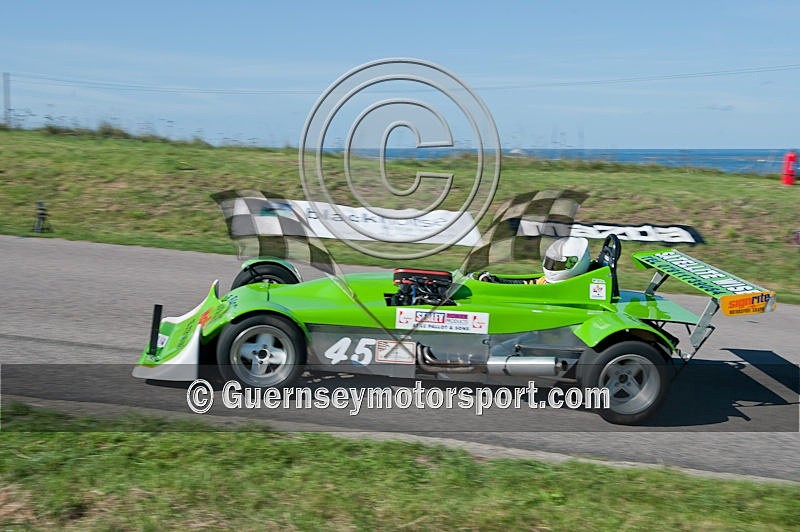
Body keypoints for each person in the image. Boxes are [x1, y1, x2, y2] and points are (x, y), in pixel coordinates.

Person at [478, 236, 591, 285]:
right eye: (551, 262)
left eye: (557, 264)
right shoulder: (548, 281)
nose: (552, 268)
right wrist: (496, 281)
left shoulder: (572, 285)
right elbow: (528, 285)